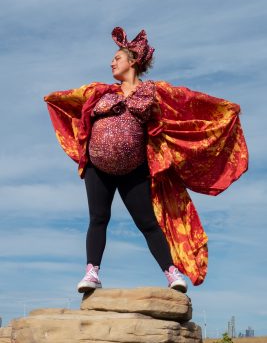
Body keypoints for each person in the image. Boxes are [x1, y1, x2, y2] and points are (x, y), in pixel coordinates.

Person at [44, 27, 248, 294]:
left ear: (132, 61)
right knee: (98, 218)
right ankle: (92, 272)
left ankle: (172, 273)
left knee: (148, 223)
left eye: (117, 58)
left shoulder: (154, 92)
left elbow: (189, 102)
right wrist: (52, 98)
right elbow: (66, 102)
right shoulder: (99, 92)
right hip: (98, 168)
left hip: (134, 169)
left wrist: (223, 109)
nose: (111, 62)